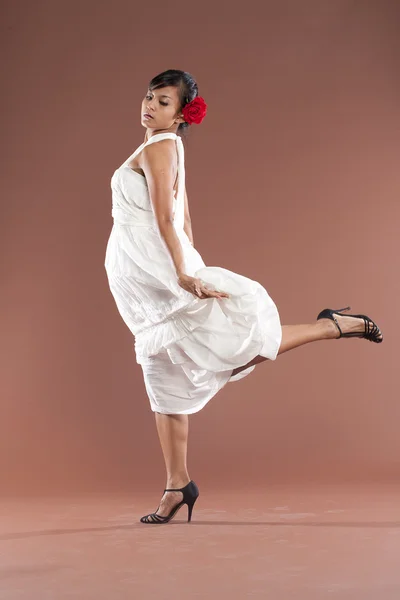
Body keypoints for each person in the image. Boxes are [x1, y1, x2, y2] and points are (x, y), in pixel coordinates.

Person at [104, 69, 383, 525]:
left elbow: (166, 220)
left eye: (163, 102)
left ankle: (331, 326)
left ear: (180, 116)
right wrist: (190, 263)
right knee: (163, 376)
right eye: (149, 97)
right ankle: (177, 484)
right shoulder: (163, 145)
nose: (150, 106)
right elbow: (184, 214)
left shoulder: (160, 146)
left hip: (161, 274)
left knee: (229, 346)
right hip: (144, 282)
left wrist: (184, 273)